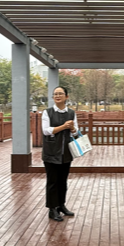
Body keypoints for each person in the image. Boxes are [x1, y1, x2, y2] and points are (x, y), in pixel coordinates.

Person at [42, 86, 78, 221]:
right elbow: (46, 130)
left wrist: (72, 128)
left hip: (66, 152)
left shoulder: (71, 113)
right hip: (51, 152)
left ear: (66, 97)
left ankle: (61, 205)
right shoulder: (47, 112)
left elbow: (76, 132)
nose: (57, 96)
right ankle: (52, 209)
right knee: (52, 181)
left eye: (60, 94)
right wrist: (63, 127)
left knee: (63, 181)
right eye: (55, 94)